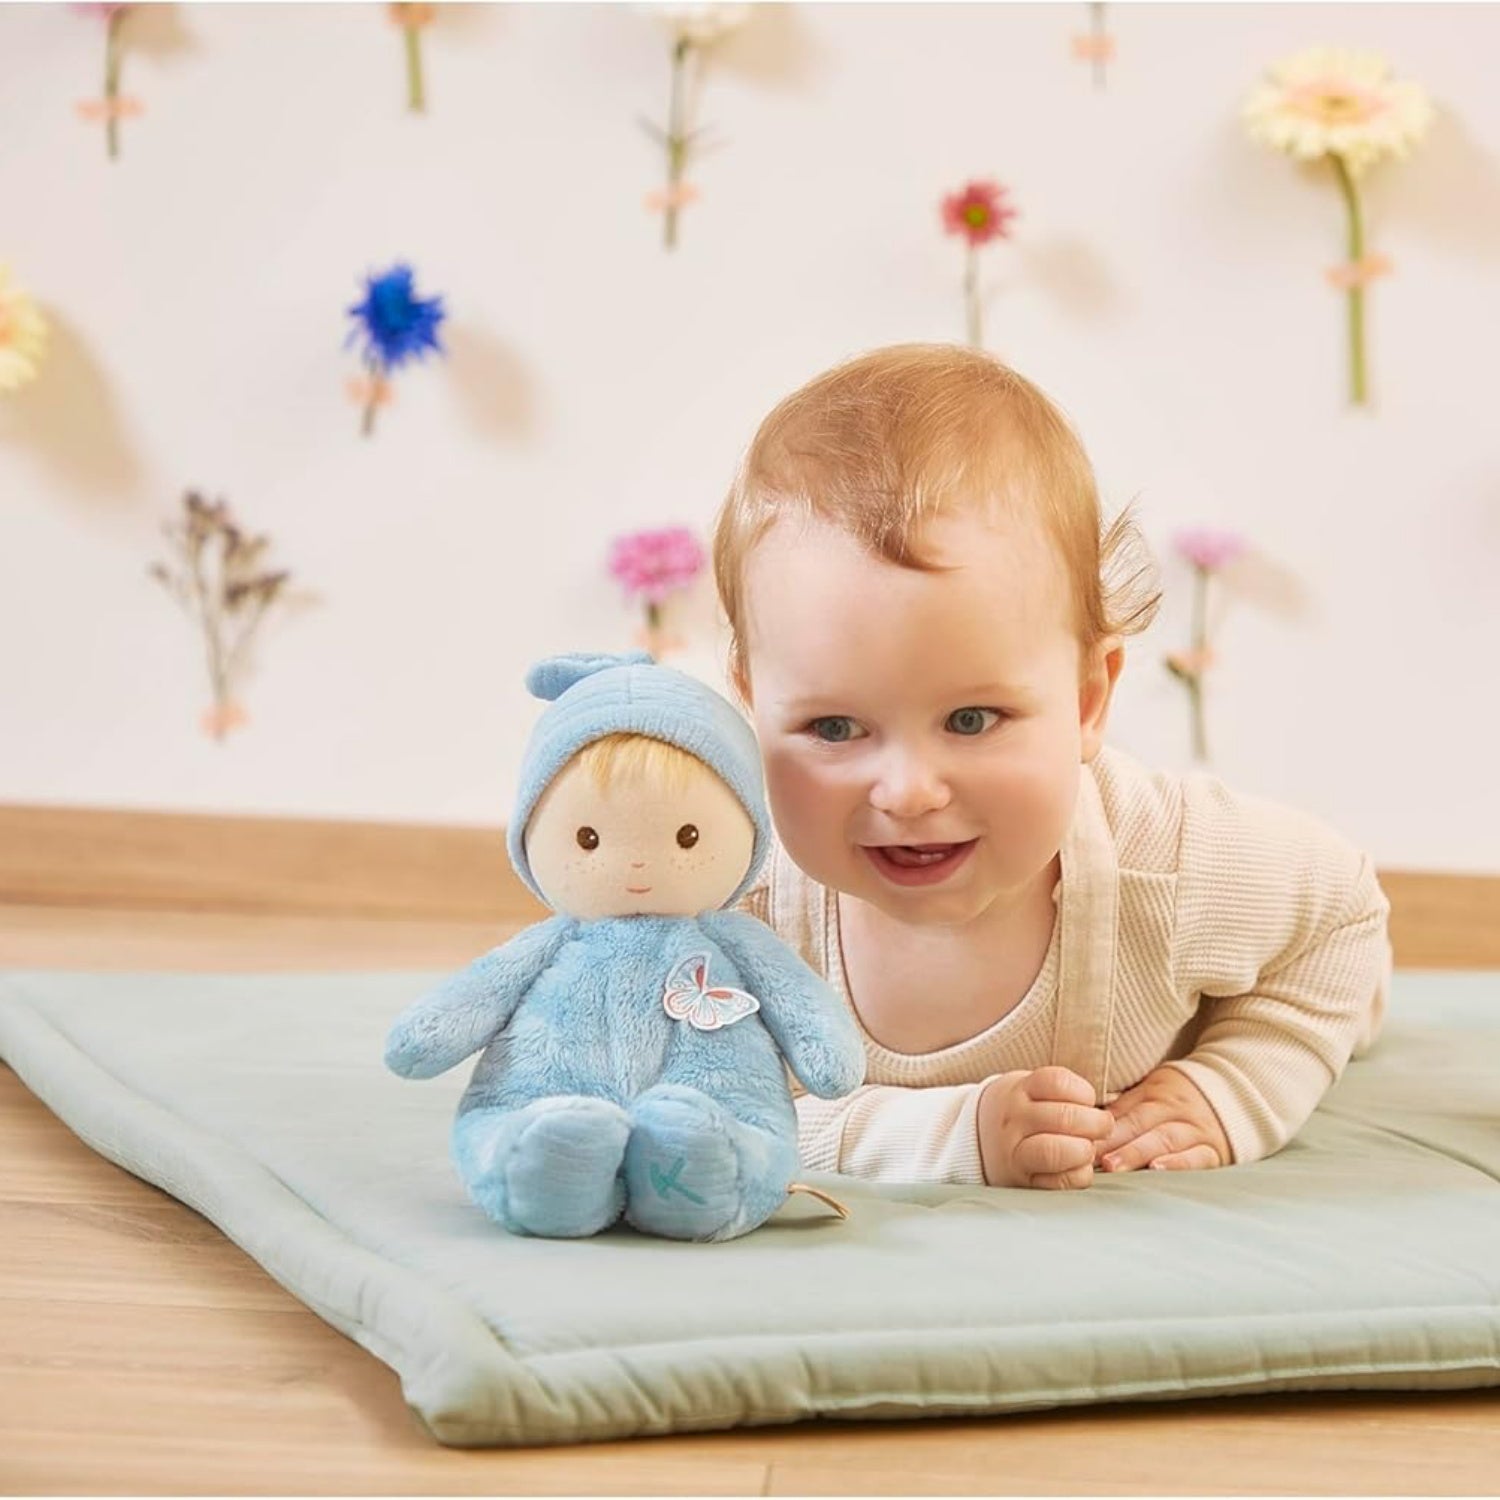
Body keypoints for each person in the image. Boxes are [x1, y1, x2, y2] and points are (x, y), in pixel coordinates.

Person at [710, 343, 1392, 1190]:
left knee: (1351, 1007)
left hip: (1228, 980)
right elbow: (711, 1108)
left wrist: (1234, 1087)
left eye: (970, 720)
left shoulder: (1169, 863)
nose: (909, 792)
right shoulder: (734, 905)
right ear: (752, 703)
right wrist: (950, 1137)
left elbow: (1343, 914)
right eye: (835, 727)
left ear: (1086, 699)